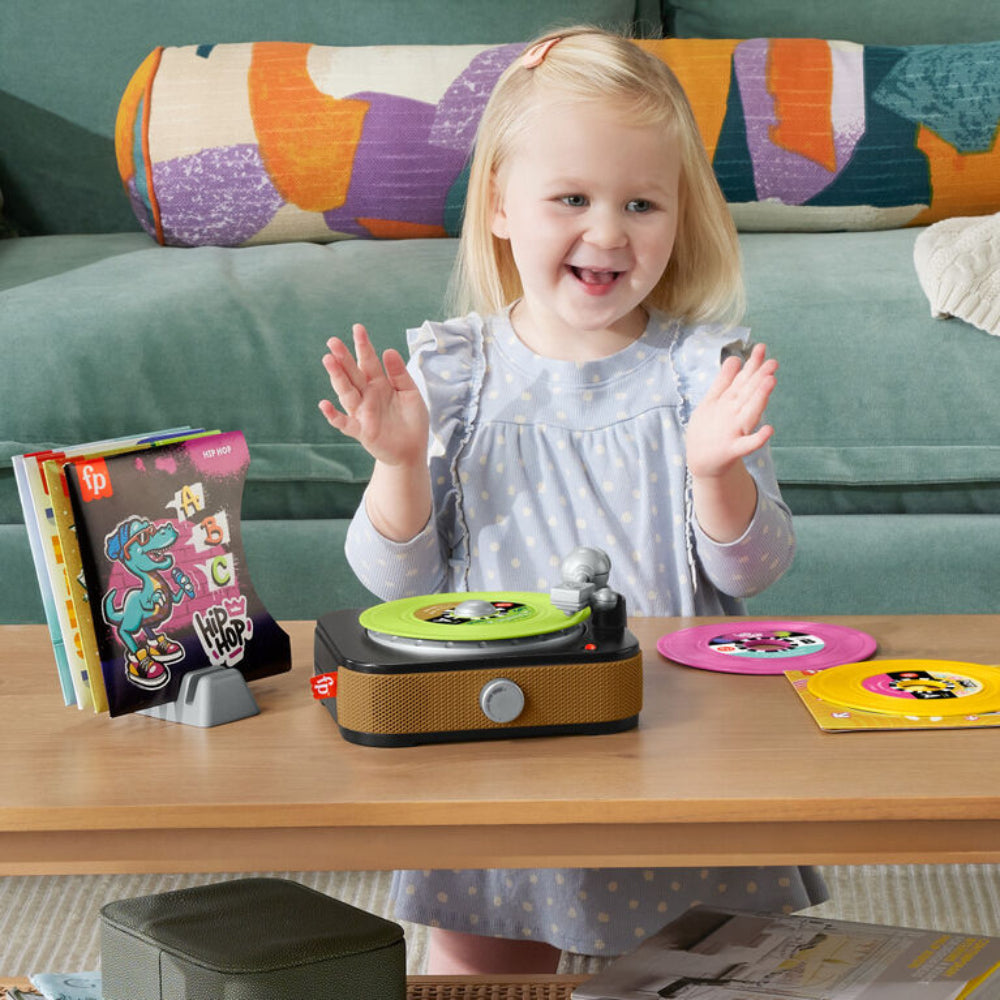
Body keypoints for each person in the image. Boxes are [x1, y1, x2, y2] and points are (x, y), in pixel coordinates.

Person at [319, 25, 826, 976]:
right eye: (572, 199)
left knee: (708, 961)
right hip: (497, 727)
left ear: (680, 216)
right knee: (480, 956)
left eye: (641, 203)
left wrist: (715, 473)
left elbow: (758, 571)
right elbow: (397, 585)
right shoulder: (454, 372)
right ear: (500, 204)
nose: (608, 232)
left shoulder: (699, 371)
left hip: (676, 732)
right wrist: (399, 462)